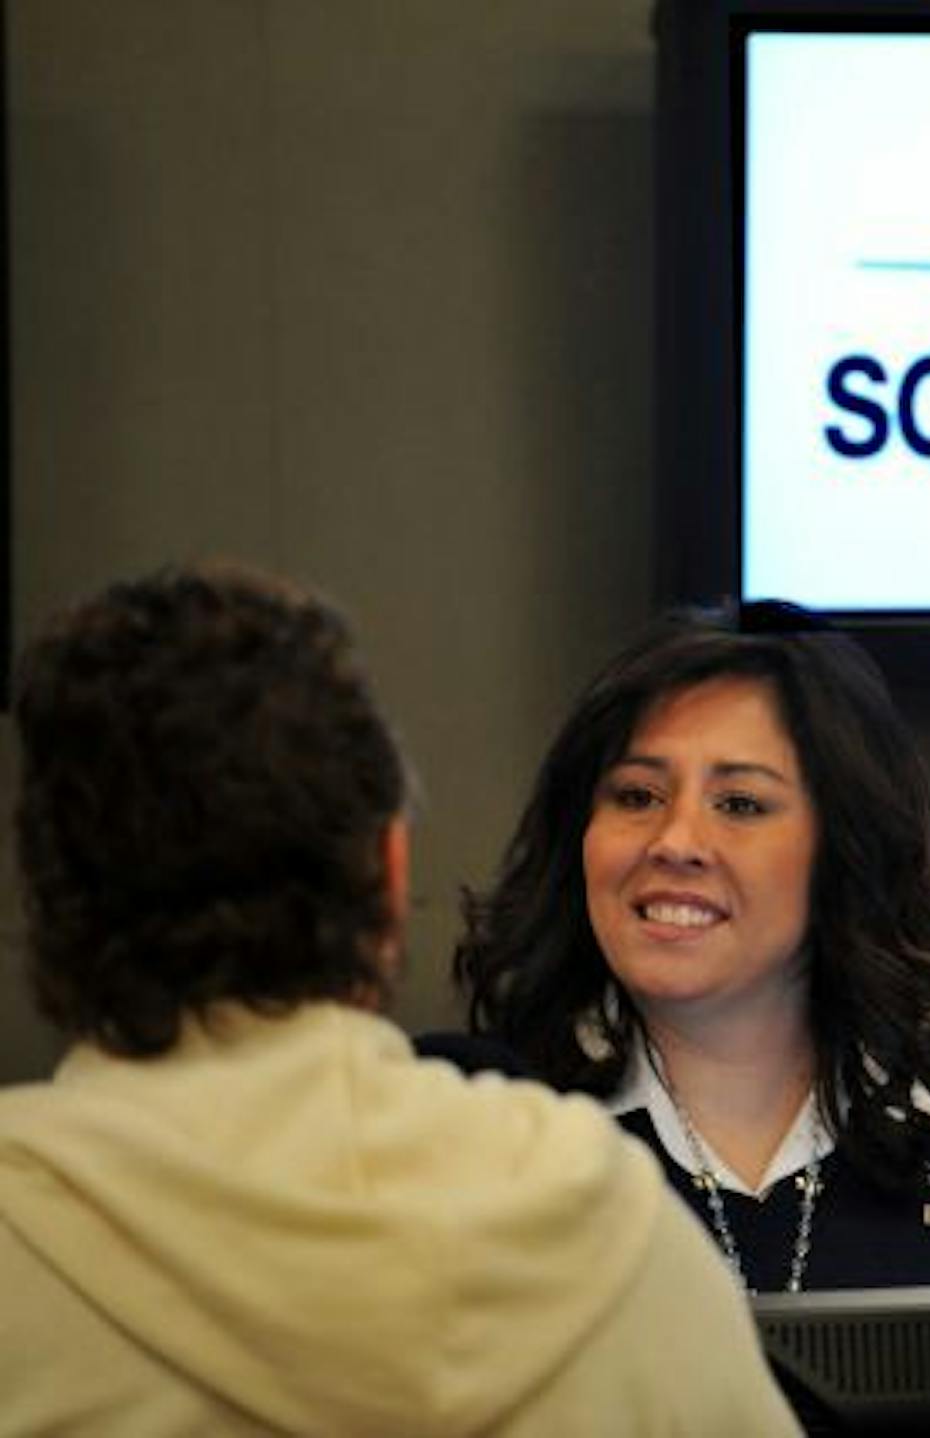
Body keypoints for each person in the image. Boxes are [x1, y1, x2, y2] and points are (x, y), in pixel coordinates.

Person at [0, 565, 799, 1435]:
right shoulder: (607, 1223)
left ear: (43, 896)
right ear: (389, 869)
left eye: (743, 802)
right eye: (638, 795)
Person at [452, 601, 930, 1293]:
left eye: (739, 804)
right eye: (638, 796)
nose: (674, 842)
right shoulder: (460, 1133)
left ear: (842, 850)